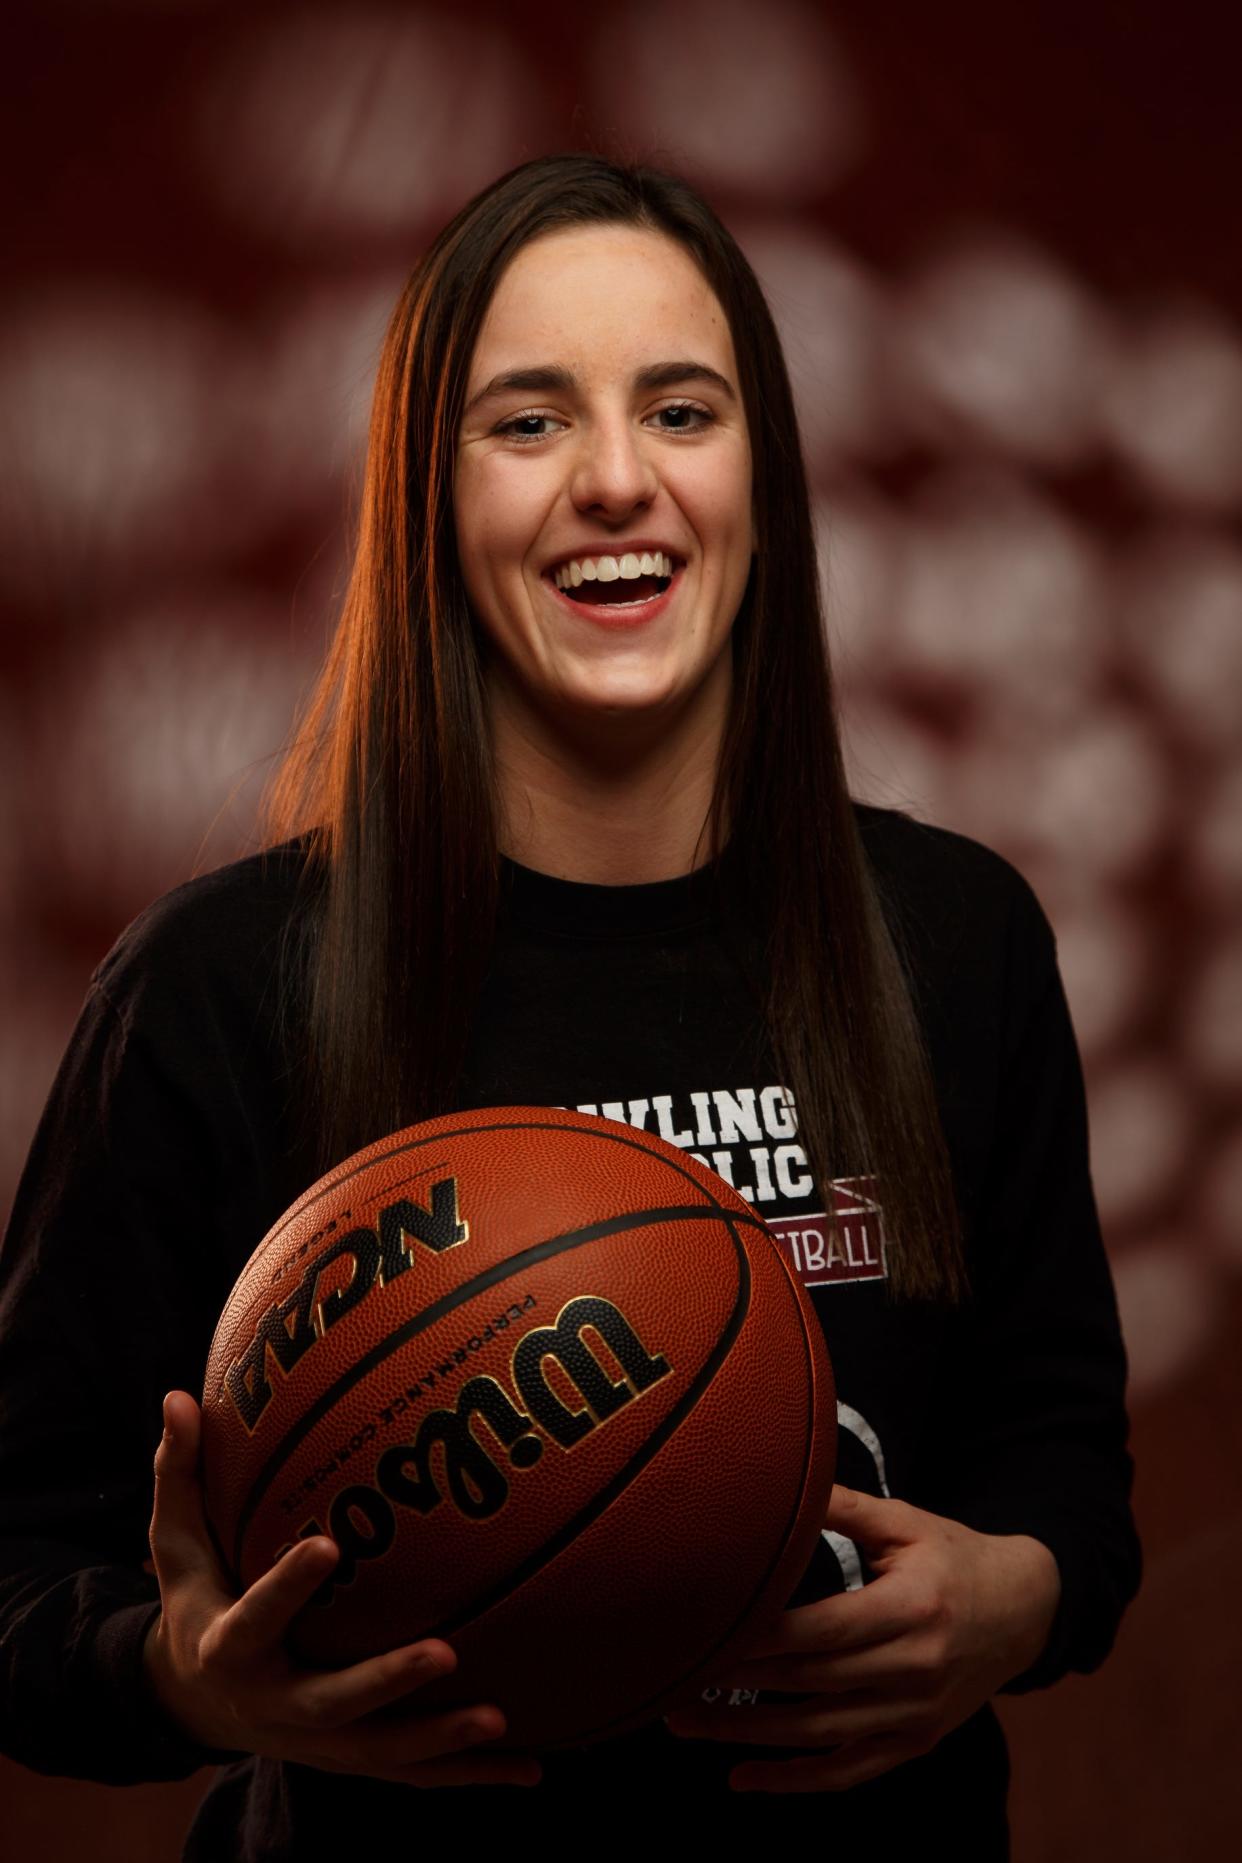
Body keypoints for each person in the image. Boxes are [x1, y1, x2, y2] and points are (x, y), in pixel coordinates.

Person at [0, 154, 1140, 1859]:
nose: (617, 481)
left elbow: (1061, 1459)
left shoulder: (953, 935)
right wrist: (181, 1680)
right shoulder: (220, 986)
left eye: (681, 411)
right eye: (526, 424)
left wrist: (1020, 1597)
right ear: (427, 494)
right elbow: (13, 1567)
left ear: (763, 475)